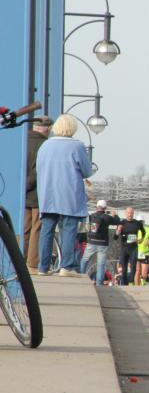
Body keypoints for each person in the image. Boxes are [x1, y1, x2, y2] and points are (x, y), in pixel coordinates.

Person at [36, 114, 94, 277]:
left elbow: (38, 168)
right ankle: (66, 267)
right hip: (69, 193)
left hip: (48, 193)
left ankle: (43, 267)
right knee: (68, 229)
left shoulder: (45, 145)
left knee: (47, 229)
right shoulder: (77, 146)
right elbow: (87, 171)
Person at [24, 115, 51, 271]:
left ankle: (18, 259)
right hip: (37, 193)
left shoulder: (22, 140)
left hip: (22, 193)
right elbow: (38, 170)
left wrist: (22, 187)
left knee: (23, 227)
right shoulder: (45, 145)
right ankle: (32, 263)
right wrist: (29, 185)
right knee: (36, 228)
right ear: (46, 129)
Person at [81, 200, 120, 286]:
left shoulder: (91, 216)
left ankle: (81, 278)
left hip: (91, 242)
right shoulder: (107, 217)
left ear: (96, 207)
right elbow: (118, 221)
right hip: (103, 243)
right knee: (101, 265)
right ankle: (99, 284)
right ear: (105, 208)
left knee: (84, 260)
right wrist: (115, 215)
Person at [116, 207, 143, 286]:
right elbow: (115, 237)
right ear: (125, 213)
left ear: (133, 214)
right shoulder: (122, 223)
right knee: (124, 267)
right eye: (128, 213)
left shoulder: (137, 223)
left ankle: (131, 281)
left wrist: (140, 239)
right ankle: (124, 284)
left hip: (133, 248)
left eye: (131, 213)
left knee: (133, 266)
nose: (130, 215)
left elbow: (143, 232)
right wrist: (118, 231)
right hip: (124, 248)